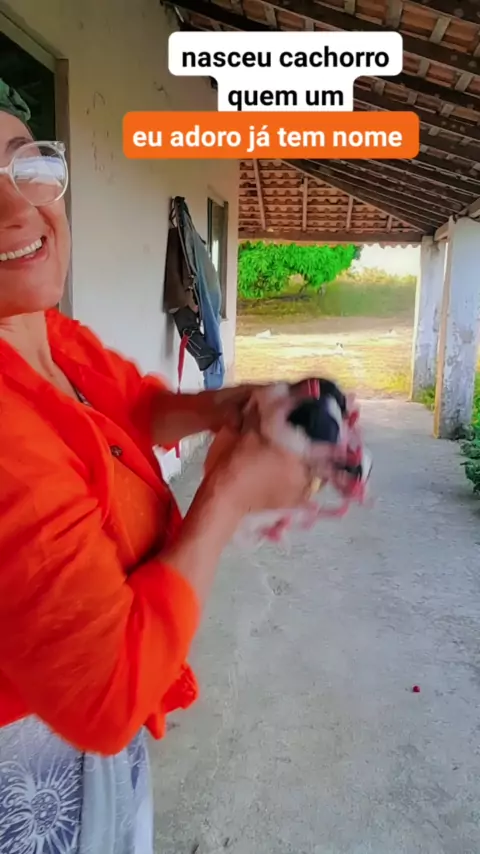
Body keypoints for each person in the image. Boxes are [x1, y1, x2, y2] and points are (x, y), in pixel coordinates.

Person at [0, 80, 337, 854]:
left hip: (93, 745)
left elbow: (133, 403)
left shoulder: (46, 331)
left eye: (25, 166)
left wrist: (223, 407)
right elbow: (107, 693)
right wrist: (228, 494)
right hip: (30, 764)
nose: (16, 208)